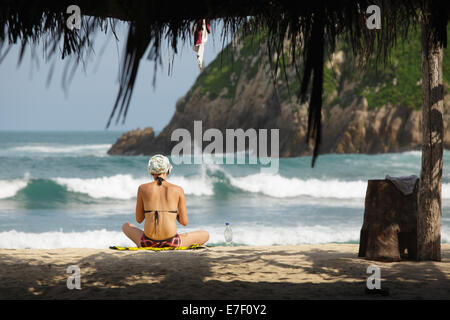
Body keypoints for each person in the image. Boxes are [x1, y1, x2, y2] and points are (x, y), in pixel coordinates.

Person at [122, 154, 209, 248]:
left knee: (126, 226)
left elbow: (139, 220)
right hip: (172, 242)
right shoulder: (178, 190)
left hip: (147, 242)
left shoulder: (142, 188)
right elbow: (184, 222)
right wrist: (174, 212)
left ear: (151, 172)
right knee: (205, 234)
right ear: (167, 171)